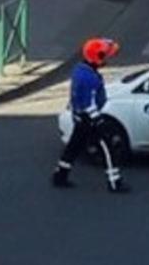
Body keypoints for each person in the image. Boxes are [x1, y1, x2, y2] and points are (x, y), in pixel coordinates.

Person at [52, 38, 130, 193]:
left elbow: (78, 99)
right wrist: (98, 121)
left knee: (73, 146)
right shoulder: (90, 78)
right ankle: (114, 182)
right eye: (106, 55)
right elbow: (89, 103)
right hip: (89, 120)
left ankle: (60, 175)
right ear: (97, 57)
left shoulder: (79, 71)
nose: (108, 58)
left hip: (80, 117)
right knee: (108, 148)